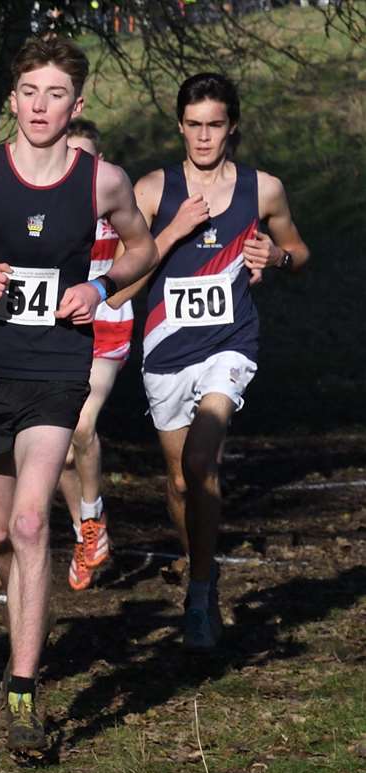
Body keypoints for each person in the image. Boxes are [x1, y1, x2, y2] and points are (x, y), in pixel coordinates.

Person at [0, 36, 157, 757]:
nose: (41, 107)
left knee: (27, 524)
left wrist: (100, 286)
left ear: (75, 105)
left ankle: (23, 692)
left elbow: (141, 248)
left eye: (56, 95)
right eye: (30, 92)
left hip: (56, 368)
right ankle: (22, 631)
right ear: (12, 98)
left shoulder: (102, 181)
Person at [119, 72, 308, 648]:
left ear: (232, 127)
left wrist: (276, 257)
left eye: (215, 126)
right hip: (165, 350)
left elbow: (300, 252)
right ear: (180, 126)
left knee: (202, 462)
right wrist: (172, 231)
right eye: (195, 126)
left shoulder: (263, 190)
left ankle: (199, 594)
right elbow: (130, 277)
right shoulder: (153, 190)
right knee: (179, 482)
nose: (204, 138)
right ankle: (201, 567)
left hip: (229, 344)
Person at [58, 118, 137, 591]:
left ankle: (91, 515)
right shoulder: (46, 204)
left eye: (86, 159)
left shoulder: (113, 198)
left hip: (107, 325)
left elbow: (143, 251)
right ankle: (86, 531)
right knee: (59, 452)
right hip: (59, 328)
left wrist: (120, 294)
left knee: (82, 425)